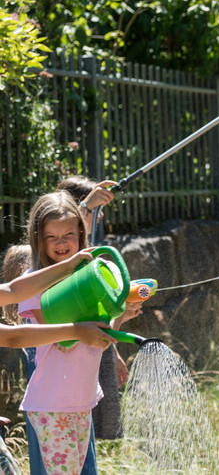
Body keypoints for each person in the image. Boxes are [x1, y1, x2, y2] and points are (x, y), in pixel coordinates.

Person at [15, 192, 121, 474]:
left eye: (69, 234)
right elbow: (62, 338)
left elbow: (98, 337)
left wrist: (122, 311)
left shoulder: (87, 275)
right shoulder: (34, 282)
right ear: (38, 238)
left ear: (81, 233)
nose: (61, 243)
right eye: (52, 237)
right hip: (53, 402)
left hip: (79, 398)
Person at [56, 176, 129, 441]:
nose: (97, 218)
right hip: (68, 353)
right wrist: (87, 207)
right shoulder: (59, 254)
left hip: (92, 345)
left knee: (91, 430)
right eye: (93, 211)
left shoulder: (90, 246)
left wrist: (116, 347)